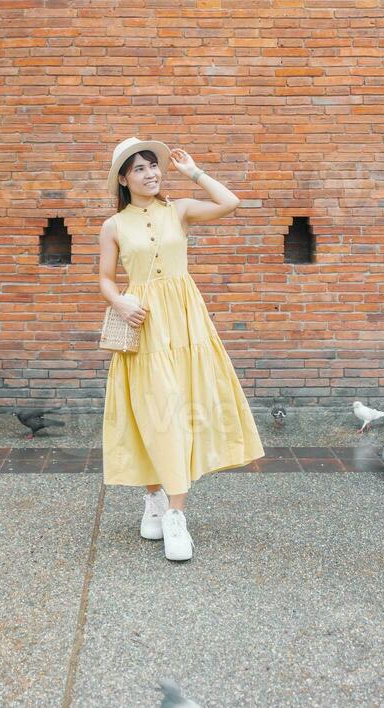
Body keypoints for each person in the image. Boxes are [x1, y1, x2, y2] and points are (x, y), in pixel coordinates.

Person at [97, 137, 265, 562]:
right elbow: (104, 277)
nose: (150, 173)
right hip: (145, 325)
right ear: (123, 178)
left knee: (179, 407)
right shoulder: (113, 226)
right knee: (152, 411)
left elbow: (230, 202)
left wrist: (194, 172)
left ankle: (175, 514)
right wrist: (119, 301)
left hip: (185, 323)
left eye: (153, 166)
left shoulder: (180, 209)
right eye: (139, 169)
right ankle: (153, 498)